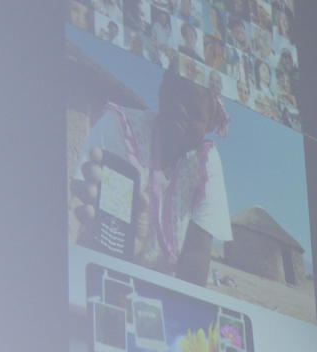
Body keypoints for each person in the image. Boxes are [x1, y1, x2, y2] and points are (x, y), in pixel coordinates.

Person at [71, 67, 232, 286]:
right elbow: (109, 243)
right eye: (175, 95)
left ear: (210, 123)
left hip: (163, 290)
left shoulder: (205, 161)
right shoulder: (119, 128)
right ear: (162, 92)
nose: (181, 111)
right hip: (104, 275)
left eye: (195, 112)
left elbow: (196, 257)